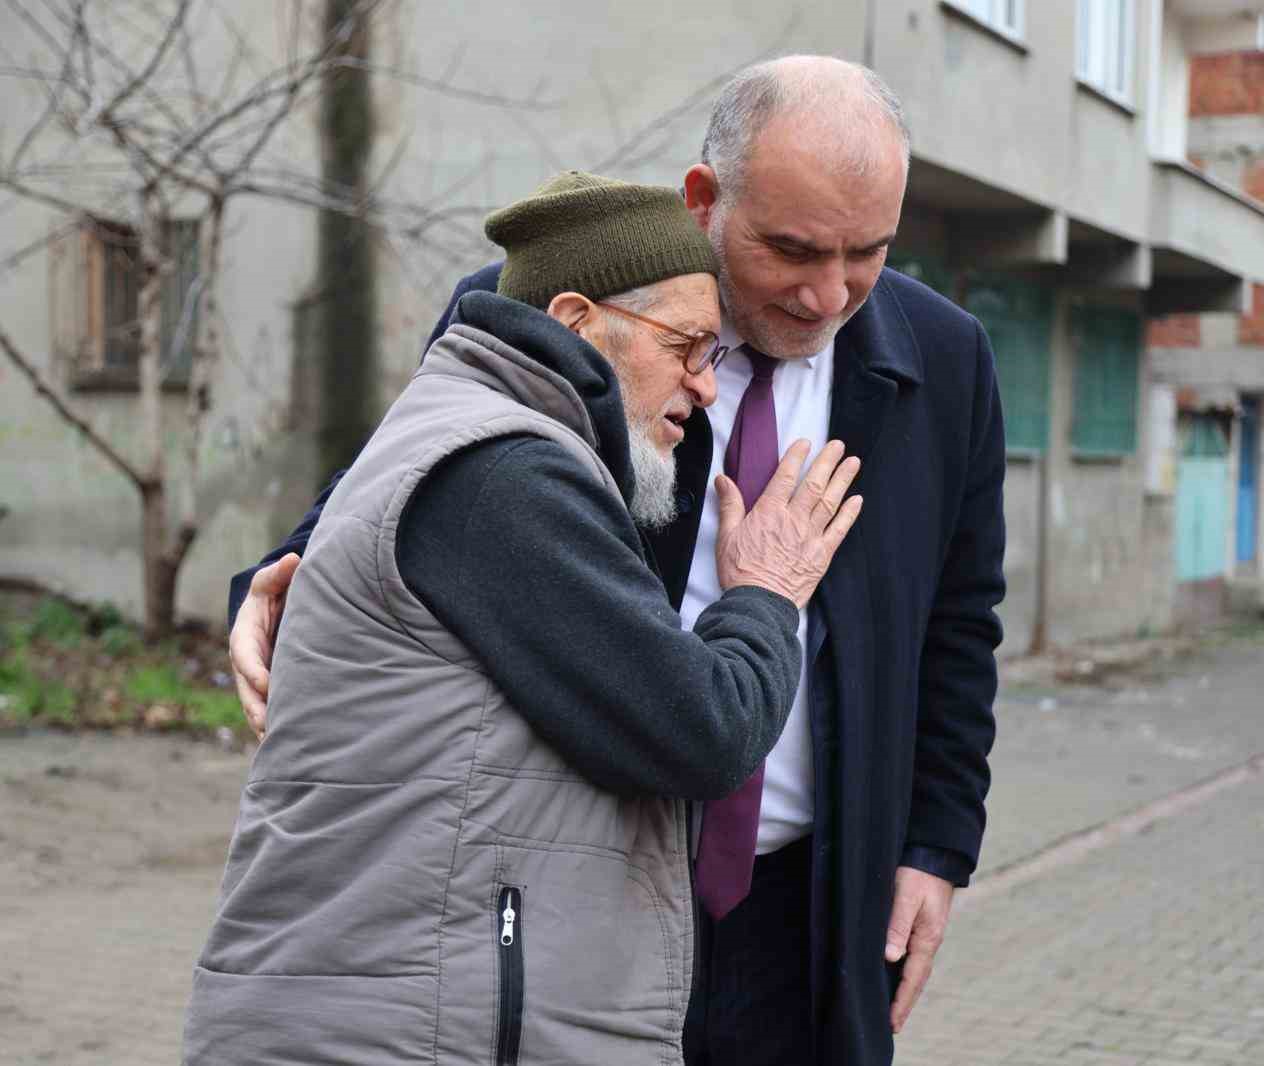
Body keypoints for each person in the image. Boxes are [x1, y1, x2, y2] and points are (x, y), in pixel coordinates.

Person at [229, 56, 1006, 1066]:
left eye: (867, 252)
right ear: (701, 200)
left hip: (815, 901)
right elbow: (418, 471)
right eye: (793, 249)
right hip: (580, 886)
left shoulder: (946, 359)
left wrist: (935, 849)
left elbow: (960, 621)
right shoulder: (558, 304)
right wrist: (286, 574)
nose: (828, 296)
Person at [184, 172, 863, 1065]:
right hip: (393, 1033)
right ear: (578, 320)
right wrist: (769, 591)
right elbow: (705, 730)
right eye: (689, 348)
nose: (705, 389)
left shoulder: (480, 430)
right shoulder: (507, 476)